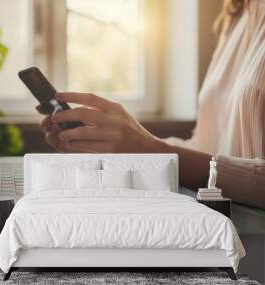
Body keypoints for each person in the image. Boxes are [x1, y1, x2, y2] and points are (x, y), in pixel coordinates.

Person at [37, 0, 265, 209]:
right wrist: (112, 145)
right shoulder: (236, 14)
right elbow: (207, 148)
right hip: (228, 229)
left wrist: (151, 149)